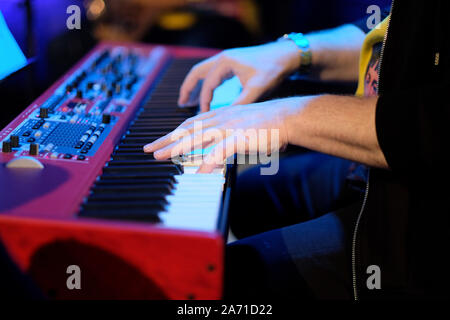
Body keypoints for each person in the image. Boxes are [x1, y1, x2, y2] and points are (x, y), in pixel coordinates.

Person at [144, 0, 450, 299]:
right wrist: (293, 52)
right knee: (246, 197)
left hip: (427, 217)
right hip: (382, 167)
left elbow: (432, 123)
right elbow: (390, 31)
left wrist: (286, 116)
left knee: (215, 283)